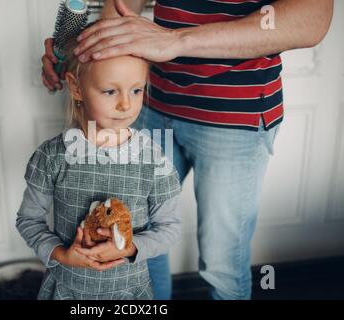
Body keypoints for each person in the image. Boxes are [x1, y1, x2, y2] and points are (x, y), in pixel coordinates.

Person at [42, 0, 333, 300]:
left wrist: (177, 40)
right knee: (137, 238)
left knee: (222, 264)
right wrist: (90, 54)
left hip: (234, 116)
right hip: (154, 102)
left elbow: (312, 18)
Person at [16, 28, 182, 300]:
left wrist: (130, 247)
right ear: (76, 87)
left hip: (129, 294)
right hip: (68, 291)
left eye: (137, 89)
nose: (126, 104)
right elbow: (29, 220)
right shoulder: (53, 156)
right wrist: (62, 255)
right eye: (109, 91)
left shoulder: (154, 159)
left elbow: (170, 228)